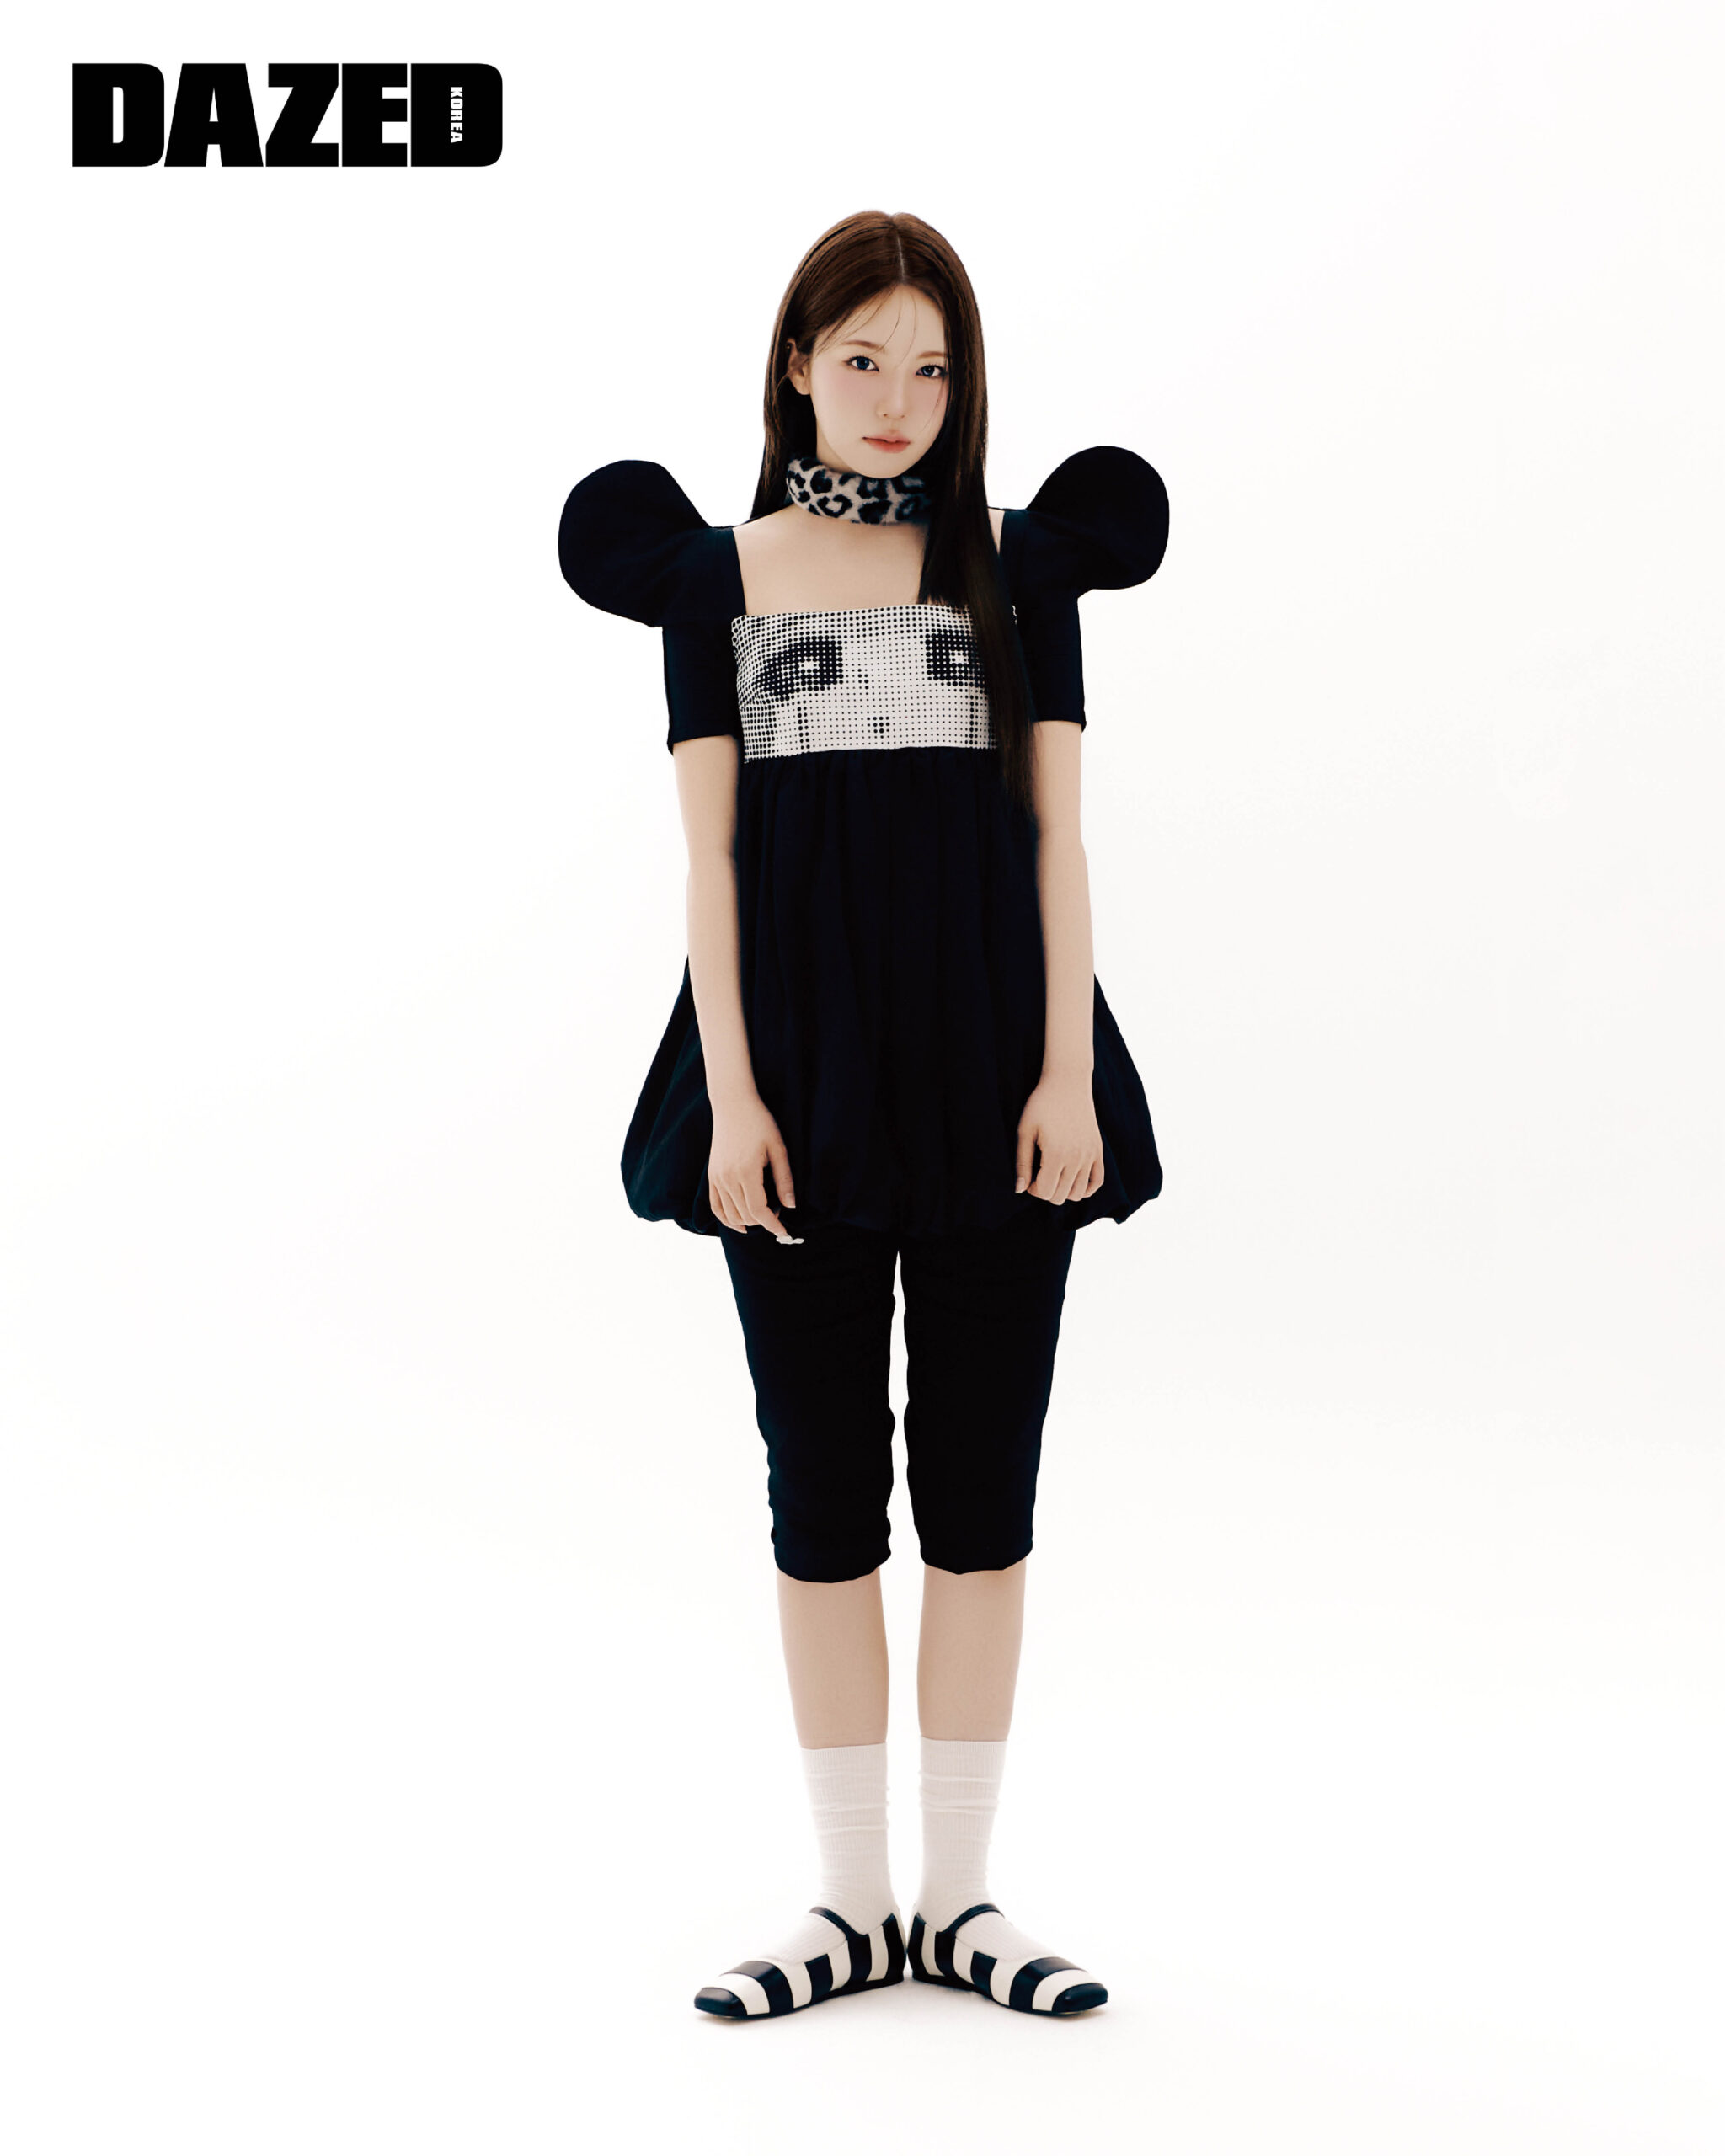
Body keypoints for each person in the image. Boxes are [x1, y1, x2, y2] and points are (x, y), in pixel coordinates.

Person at [558, 210, 1170, 2020]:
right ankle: (847, 1905)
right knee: (820, 1496)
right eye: (862, 360)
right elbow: (714, 865)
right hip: (797, 1094)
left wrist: (1064, 1073)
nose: (898, 398)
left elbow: (1057, 839)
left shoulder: (1018, 566)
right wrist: (735, 1096)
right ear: (798, 367)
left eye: (932, 365)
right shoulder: (719, 579)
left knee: (982, 1497)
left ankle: (961, 1902)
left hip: (1000, 1077)